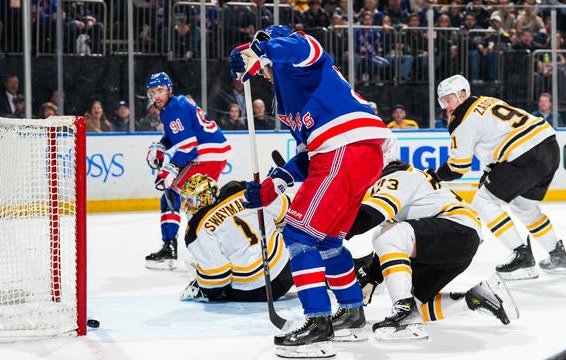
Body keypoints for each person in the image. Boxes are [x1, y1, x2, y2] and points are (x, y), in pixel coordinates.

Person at [230, 25, 394, 358]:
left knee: (298, 234)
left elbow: (299, 47)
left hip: (345, 149)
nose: (261, 73)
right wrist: (275, 183)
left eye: (262, 66)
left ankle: (318, 324)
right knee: (329, 241)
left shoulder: (301, 57)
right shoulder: (286, 98)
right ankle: (351, 311)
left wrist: (262, 48)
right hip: (356, 155)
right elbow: (307, 156)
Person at [346, 155, 519, 341]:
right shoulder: (411, 176)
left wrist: (324, 231)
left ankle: (404, 314)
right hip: (457, 239)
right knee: (420, 307)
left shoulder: (395, 177)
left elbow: (370, 216)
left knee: (385, 234)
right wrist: (372, 276)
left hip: (455, 231)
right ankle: (475, 298)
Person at [433, 74, 566, 280]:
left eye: (448, 99)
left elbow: (458, 167)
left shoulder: (461, 120)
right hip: (548, 146)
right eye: (442, 101)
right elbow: (495, 148)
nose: (446, 106)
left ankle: (521, 257)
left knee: (482, 201)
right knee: (524, 207)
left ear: (462, 94)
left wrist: (435, 175)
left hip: (523, 155)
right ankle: (557, 253)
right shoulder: (486, 101)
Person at [144, 72, 232, 270]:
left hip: (205, 154)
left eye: (160, 90)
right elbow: (175, 134)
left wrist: (171, 168)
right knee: (198, 201)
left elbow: (189, 147)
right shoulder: (171, 107)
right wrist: (161, 145)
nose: (157, 95)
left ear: (170, 90)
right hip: (213, 152)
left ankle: (172, 250)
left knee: (173, 192)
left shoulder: (175, 108)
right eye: (153, 92)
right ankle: (210, 251)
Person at [179, 174, 293, 302]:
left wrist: (203, 286)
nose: (186, 206)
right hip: (289, 267)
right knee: (293, 231)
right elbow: (290, 210)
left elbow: (218, 278)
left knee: (210, 278)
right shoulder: (240, 188)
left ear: (205, 198)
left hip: (257, 290)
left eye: (190, 201)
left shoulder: (196, 229)